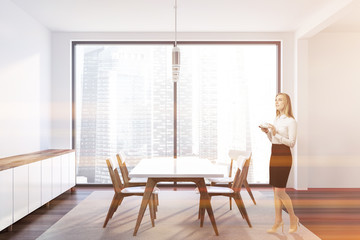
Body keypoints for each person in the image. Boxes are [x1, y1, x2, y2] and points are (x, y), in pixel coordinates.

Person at [259, 93, 299, 234]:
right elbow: (273, 139)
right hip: (274, 154)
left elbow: (292, 143)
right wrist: (267, 133)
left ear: (286, 102)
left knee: (280, 192)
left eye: (280, 99)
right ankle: (278, 221)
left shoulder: (291, 121)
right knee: (275, 192)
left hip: (283, 156)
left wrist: (275, 133)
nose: (276, 102)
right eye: (275, 100)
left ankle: (293, 218)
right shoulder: (277, 119)